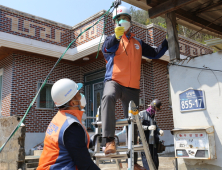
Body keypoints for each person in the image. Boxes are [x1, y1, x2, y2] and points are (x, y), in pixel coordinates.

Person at [101, 5, 168, 170]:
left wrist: (168, 41)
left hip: (132, 87)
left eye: (127, 18)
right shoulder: (112, 39)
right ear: (115, 22)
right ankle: (109, 140)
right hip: (114, 81)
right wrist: (116, 37)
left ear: (130, 21)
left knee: (134, 123)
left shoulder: (137, 42)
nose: (125, 21)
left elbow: (155, 53)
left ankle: (135, 162)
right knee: (108, 97)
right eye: (121, 18)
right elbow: (106, 48)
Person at [37, 78, 100, 170]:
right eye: (78, 94)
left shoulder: (61, 118)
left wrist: (95, 140)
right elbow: (85, 164)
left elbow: (71, 144)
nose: (81, 96)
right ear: (73, 102)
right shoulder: (72, 126)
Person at [139, 99, 164, 170]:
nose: (156, 111)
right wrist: (147, 127)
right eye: (156, 109)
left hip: (153, 142)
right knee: (147, 161)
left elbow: (156, 126)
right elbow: (138, 126)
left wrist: (159, 130)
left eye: (157, 110)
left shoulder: (153, 116)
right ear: (152, 107)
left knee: (155, 161)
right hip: (145, 142)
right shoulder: (142, 114)